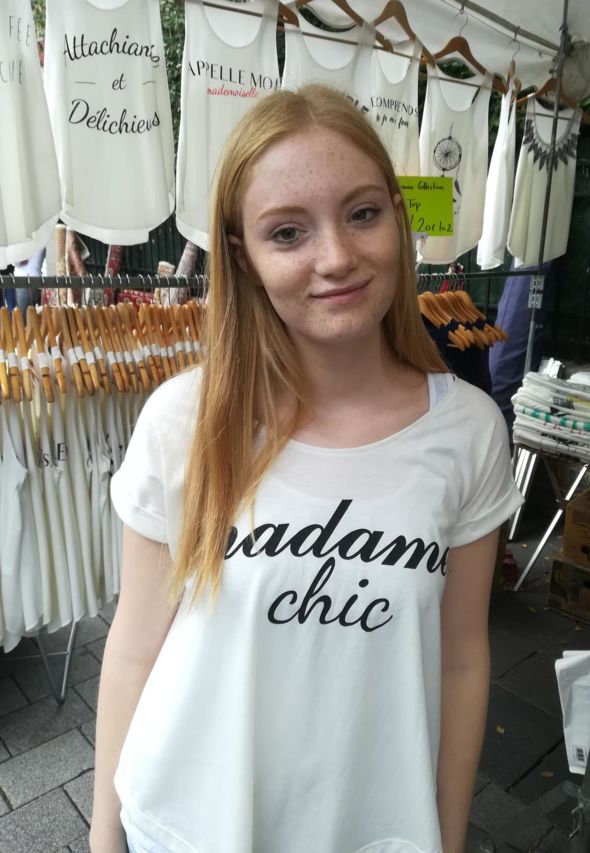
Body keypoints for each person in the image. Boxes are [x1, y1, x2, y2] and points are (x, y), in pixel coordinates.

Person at [91, 84, 523, 853]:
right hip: (186, 826)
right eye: (287, 232)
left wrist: (448, 835)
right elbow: (132, 645)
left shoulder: (468, 433)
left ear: (398, 216)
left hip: (376, 832)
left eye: (362, 213)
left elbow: (461, 661)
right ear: (244, 256)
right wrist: (103, 835)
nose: (336, 257)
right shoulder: (182, 422)